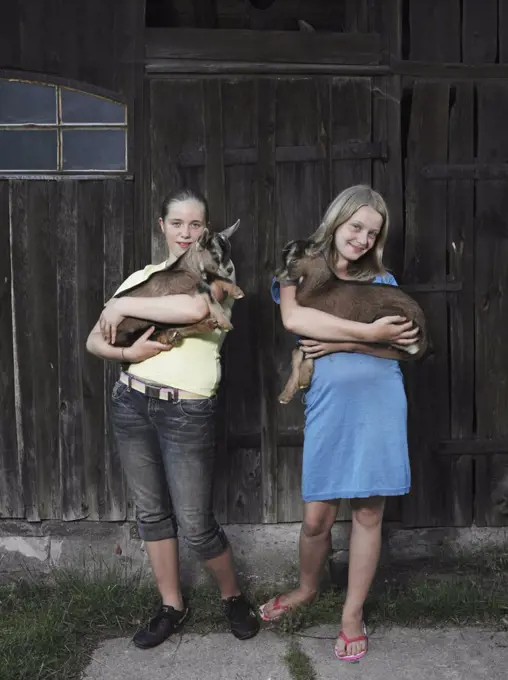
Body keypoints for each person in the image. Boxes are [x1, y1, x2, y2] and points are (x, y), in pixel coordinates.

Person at [86, 188, 259, 648]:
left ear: (207, 232)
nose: (186, 233)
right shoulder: (142, 277)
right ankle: (171, 606)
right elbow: (94, 342)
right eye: (177, 223)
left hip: (187, 408)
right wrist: (128, 350)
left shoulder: (217, 272)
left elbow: (197, 309)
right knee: (152, 513)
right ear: (161, 226)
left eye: (196, 225)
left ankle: (233, 598)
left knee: (196, 522)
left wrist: (121, 306)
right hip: (132, 402)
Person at [259, 185, 418, 662]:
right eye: (356, 227)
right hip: (329, 403)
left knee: (369, 513)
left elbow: (404, 349)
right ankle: (309, 588)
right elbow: (294, 318)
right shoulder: (299, 269)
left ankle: (351, 613)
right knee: (316, 519)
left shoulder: (383, 285)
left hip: (381, 399)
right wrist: (368, 331)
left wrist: (350, 344)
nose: (363, 239)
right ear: (336, 221)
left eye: (373, 232)